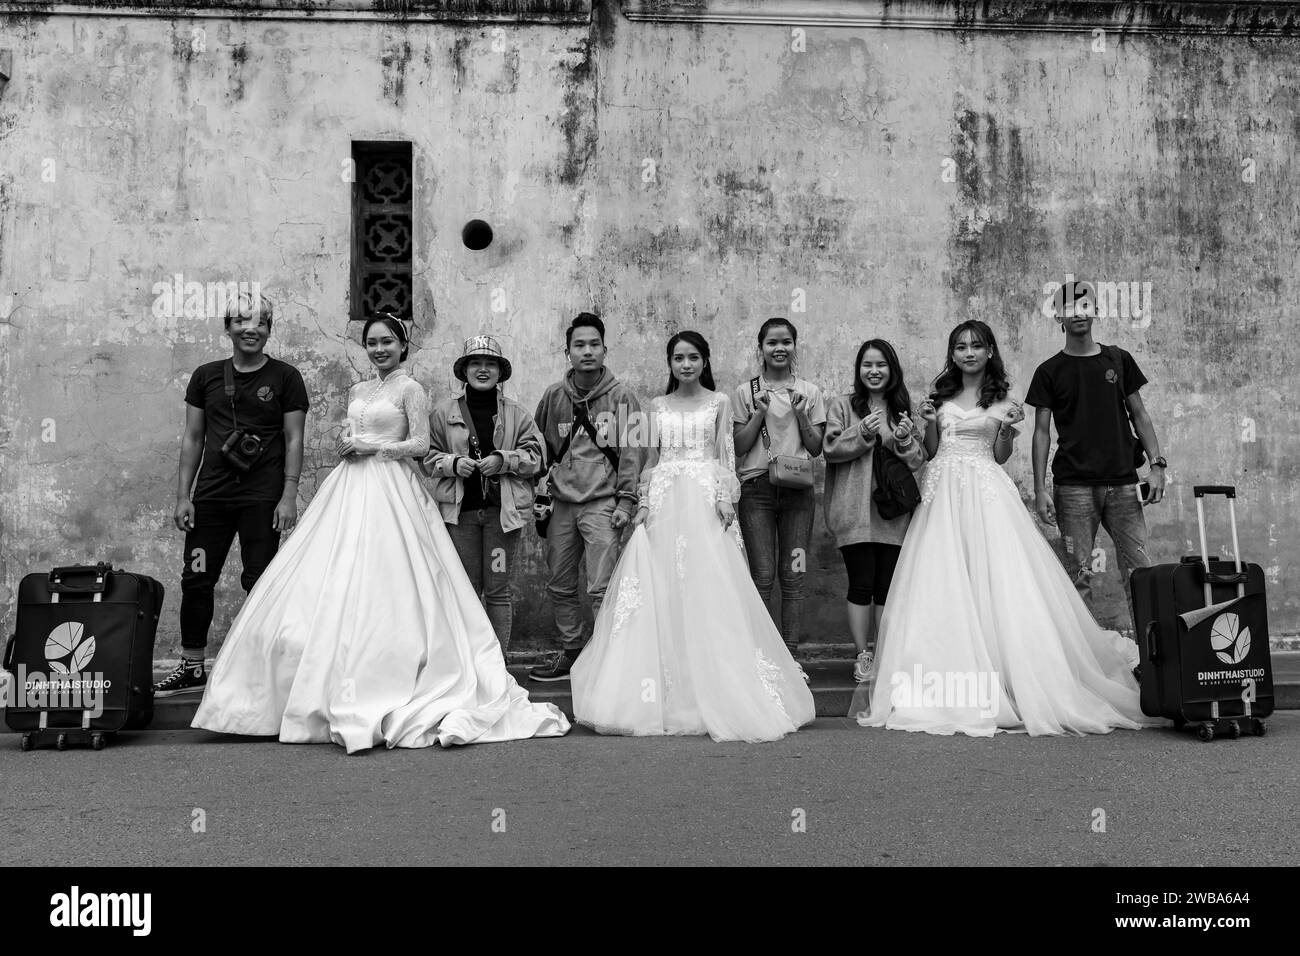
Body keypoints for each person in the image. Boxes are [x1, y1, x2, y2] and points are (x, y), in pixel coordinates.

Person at [192, 314, 570, 751]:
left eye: (387, 341)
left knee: (427, 581)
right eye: (372, 342)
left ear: (402, 346)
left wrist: (373, 447)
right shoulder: (358, 390)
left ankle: (471, 664)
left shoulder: (412, 389)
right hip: (351, 485)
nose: (378, 349)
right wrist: (347, 442)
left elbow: (421, 445)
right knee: (340, 572)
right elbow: (363, 433)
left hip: (397, 487)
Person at [857, 320, 1157, 736]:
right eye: (960, 347)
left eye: (977, 346)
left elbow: (999, 456)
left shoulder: (1004, 400)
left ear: (989, 352)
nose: (968, 353)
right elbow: (929, 452)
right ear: (953, 354)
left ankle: (1010, 678)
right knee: (945, 579)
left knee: (1000, 580)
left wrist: (1004, 428)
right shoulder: (938, 396)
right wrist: (924, 422)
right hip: (941, 492)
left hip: (986, 491)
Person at [570, 332, 815, 742]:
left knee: (709, 589)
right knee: (661, 591)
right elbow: (651, 457)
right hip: (666, 500)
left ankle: (720, 687)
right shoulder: (657, 406)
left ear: (704, 361)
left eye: (693, 357)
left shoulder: (719, 402)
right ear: (669, 363)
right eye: (678, 358)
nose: (685, 364)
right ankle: (664, 692)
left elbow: (725, 455)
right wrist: (644, 503)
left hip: (703, 499)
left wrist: (723, 498)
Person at [154, 292, 308, 698]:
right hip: (211, 499)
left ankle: (259, 667)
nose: (249, 328)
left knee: (259, 581)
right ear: (228, 328)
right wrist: (183, 496)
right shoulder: (205, 376)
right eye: (240, 321)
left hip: (263, 498)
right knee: (197, 579)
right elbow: (192, 438)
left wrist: (288, 495)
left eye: (259, 322)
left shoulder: (286, 378)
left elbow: (294, 439)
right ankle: (191, 665)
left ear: (269, 330)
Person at [1026, 295, 1166, 627]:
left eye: (1085, 306)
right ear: (1058, 315)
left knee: (1139, 571)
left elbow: (1140, 415)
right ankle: (1090, 662)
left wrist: (1156, 465)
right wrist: (1039, 488)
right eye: (1070, 308)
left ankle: (1152, 656)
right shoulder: (1049, 371)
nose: (1078, 313)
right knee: (1078, 575)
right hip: (1073, 487)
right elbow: (1041, 433)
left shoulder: (1118, 360)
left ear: (1096, 311)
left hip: (1123, 483)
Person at [527, 313, 642, 682]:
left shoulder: (624, 396)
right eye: (580, 345)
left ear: (605, 350)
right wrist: (537, 490)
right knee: (559, 584)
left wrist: (627, 501)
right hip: (561, 505)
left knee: (602, 587)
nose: (587, 351)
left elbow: (634, 452)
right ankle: (572, 653)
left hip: (603, 504)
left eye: (594, 344)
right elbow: (540, 447)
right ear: (568, 352)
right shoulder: (553, 396)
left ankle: (609, 657)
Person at [424, 335, 543, 652]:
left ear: (500, 372)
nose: (482, 369)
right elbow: (427, 459)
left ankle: (498, 665)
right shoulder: (442, 414)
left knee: (498, 590)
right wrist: (453, 463)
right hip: (459, 516)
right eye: (475, 363)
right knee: (465, 588)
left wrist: (504, 460)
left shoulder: (517, 414)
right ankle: (469, 665)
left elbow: (536, 458)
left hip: (499, 519)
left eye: (490, 363)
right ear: (464, 370)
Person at [822, 340, 926, 692]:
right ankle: (863, 654)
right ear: (859, 370)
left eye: (881, 365)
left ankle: (884, 653)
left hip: (893, 513)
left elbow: (917, 462)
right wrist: (862, 431)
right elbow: (831, 450)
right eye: (867, 365)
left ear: (891, 369)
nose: (874, 371)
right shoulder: (841, 407)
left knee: (886, 588)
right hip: (853, 512)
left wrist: (905, 440)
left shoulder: (902, 410)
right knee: (861, 584)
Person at [732, 318, 826, 656]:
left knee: (795, 572)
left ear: (794, 346)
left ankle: (790, 654)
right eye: (772, 342)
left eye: (786, 341)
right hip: (757, 490)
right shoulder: (747, 392)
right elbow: (739, 447)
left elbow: (816, 448)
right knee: (762, 574)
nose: (779, 348)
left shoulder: (809, 392)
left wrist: (801, 415)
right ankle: (762, 656)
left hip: (798, 493)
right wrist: (758, 414)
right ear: (761, 348)